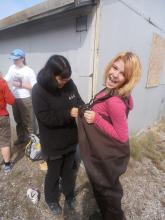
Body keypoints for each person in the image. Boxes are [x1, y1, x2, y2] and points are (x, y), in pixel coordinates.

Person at [78, 51, 141, 220]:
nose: (115, 75)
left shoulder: (114, 102)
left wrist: (97, 118)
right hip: (103, 152)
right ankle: (106, 214)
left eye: (122, 74)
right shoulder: (119, 92)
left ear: (128, 80)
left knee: (108, 192)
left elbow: (121, 137)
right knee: (103, 189)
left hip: (106, 155)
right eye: (115, 67)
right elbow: (130, 105)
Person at [32, 55, 84, 215]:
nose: (64, 82)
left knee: (68, 171)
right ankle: (51, 199)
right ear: (51, 74)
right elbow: (45, 117)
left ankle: (68, 194)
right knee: (53, 174)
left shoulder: (69, 83)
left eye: (67, 79)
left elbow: (78, 101)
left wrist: (83, 109)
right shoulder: (38, 90)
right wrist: (68, 113)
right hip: (52, 143)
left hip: (69, 140)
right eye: (61, 79)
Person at [4, 49, 36, 146]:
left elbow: (34, 86)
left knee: (28, 122)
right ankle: (21, 138)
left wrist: (21, 84)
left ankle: (32, 143)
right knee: (18, 121)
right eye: (13, 59)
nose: (14, 61)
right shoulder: (12, 68)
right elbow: (5, 80)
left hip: (26, 99)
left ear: (22, 59)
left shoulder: (29, 70)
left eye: (16, 59)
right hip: (15, 99)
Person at [0, 73, 15, 172]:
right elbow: (11, 100)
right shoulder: (2, 82)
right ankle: (7, 165)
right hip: (2, 115)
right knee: (4, 141)